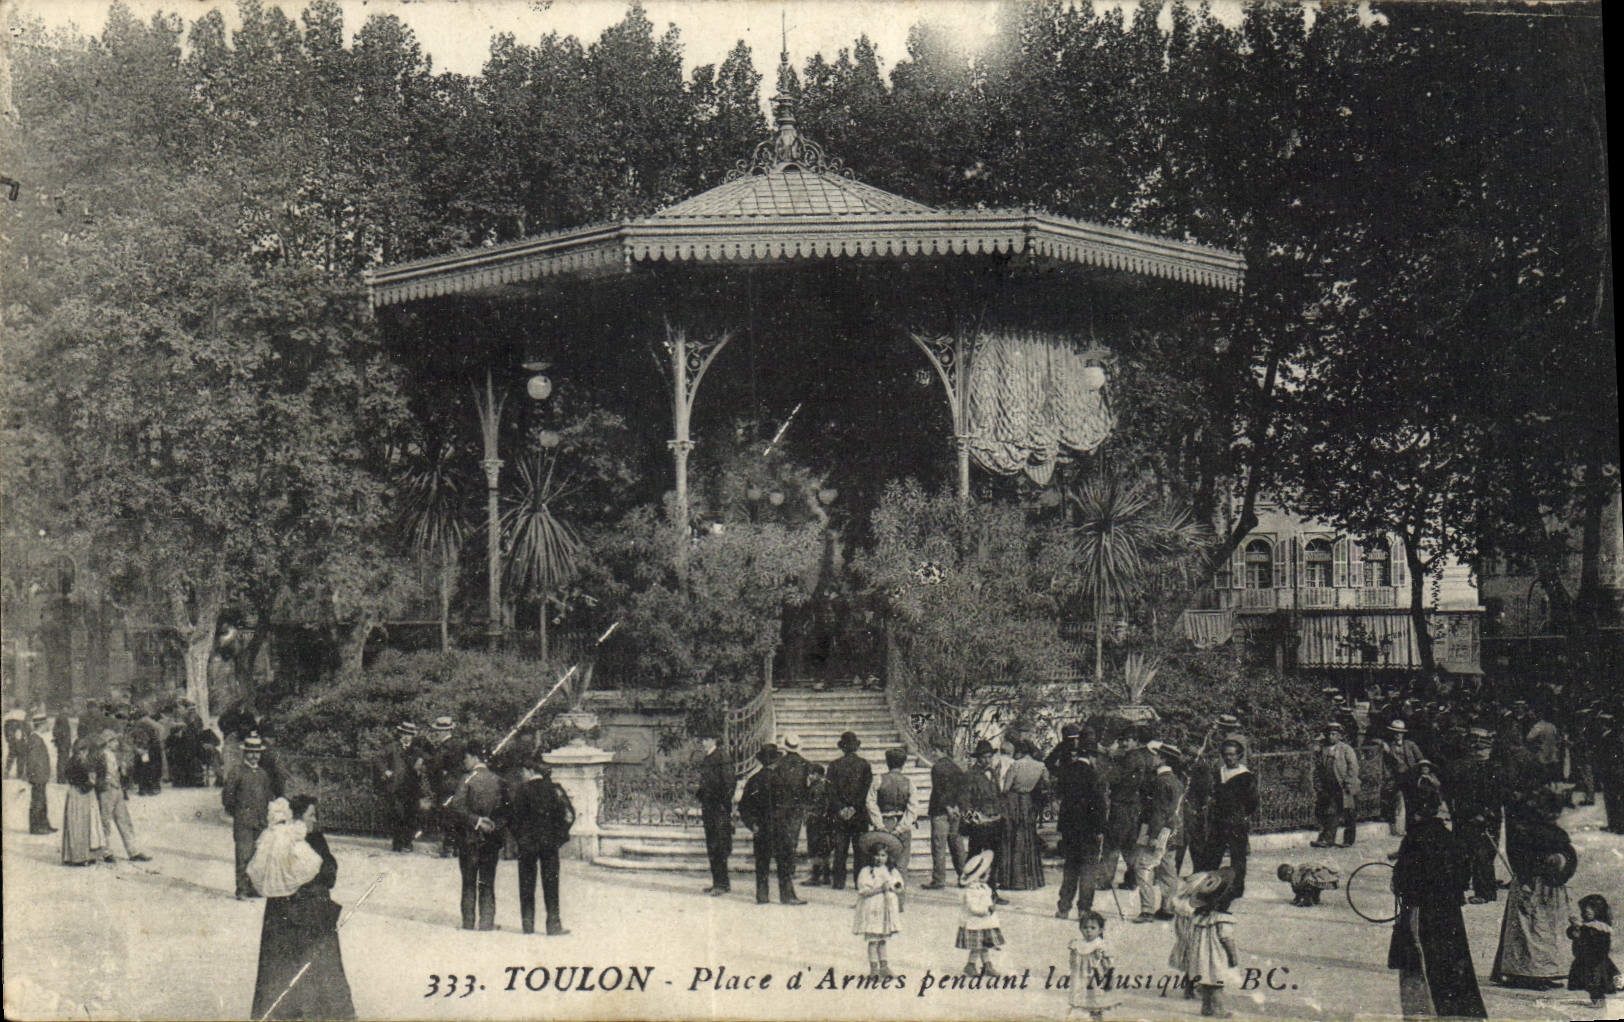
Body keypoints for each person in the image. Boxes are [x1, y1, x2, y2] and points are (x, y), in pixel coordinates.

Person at [247, 796, 356, 1021]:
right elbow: (328, 873)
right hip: (311, 912)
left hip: (279, 913)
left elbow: (260, 875)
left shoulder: (272, 840)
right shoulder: (311, 839)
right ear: (298, 818)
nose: (314, 820)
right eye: (311, 815)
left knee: (280, 966)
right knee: (318, 967)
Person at [1389, 787, 1487, 1019]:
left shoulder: (1413, 839)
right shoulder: (1448, 836)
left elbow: (1403, 880)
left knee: (1419, 961)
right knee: (1453, 959)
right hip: (1450, 912)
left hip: (1421, 910)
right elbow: (1464, 873)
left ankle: (1424, 1014)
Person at [1491, 790, 1577, 989]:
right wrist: (1526, 880)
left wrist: (1562, 864)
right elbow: (1520, 857)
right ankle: (1525, 974)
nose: (1553, 817)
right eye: (1550, 813)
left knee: (1545, 929)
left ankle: (1544, 972)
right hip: (1531, 885)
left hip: (1550, 886)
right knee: (1529, 929)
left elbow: (1568, 854)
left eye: (1555, 814)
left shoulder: (1555, 833)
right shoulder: (1527, 831)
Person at [510, 757, 573, 936]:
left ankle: (527, 925)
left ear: (530, 771)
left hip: (527, 845)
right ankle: (553, 924)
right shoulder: (554, 789)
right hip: (549, 845)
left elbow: (513, 820)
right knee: (551, 883)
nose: (521, 775)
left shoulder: (522, 791)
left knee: (526, 884)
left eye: (523, 771)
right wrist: (559, 837)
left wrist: (520, 839)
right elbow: (569, 815)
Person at [450, 739, 506, 930]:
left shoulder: (467, 779)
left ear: (474, 758)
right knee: (487, 881)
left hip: (469, 837)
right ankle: (486, 922)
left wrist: (477, 821)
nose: (463, 762)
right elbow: (505, 810)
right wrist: (492, 825)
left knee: (468, 881)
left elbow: (456, 806)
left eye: (465, 758)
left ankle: (467, 922)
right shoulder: (498, 780)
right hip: (491, 838)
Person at [1053, 725, 1108, 920]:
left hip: (1069, 829)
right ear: (1092, 756)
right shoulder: (1095, 776)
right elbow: (1100, 805)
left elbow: (1060, 798)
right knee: (1088, 871)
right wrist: (1101, 828)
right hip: (1089, 830)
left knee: (1070, 868)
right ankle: (1084, 909)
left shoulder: (1066, 772)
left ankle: (1063, 907)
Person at [1099, 725, 1155, 893]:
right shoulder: (1141, 757)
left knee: (1112, 844)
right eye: (1121, 740)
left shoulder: (1130, 758)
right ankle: (1132, 879)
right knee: (1129, 844)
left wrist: (1109, 760)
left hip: (1122, 804)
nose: (1123, 743)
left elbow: (1113, 776)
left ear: (1135, 741)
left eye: (1127, 740)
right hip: (1133, 805)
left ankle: (1105, 879)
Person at [223, 734, 280, 897]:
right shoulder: (237, 772)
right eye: (250, 752)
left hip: (260, 820)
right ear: (244, 753)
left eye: (257, 753)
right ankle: (241, 888)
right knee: (243, 855)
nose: (254, 756)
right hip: (243, 821)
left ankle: (253, 887)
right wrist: (239, 813)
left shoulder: (262, 774)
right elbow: (228, 796)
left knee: (258, 856)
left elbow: (268, 796)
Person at [1134, 742, 1185, 923]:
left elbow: (1159, 812)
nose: (1152, 759)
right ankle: (1167, 907)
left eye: (1155, 756)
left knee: (1143, 868)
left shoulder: (1160, 782)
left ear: (1162, 759)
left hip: (1160, 833)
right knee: (1168, 870)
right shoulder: (1176, 781)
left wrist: (1153, 837)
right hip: (1173, 832)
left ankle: (1147, 909)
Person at [958, 740, 1009, 906]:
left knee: (994, 857)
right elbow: (964, 800)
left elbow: (998, 795)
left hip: (995, 821)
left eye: (989, 757)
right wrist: (973, 816)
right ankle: (971, 889)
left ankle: (992, 891)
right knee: (976, 856)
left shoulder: (993, 773)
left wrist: (1001, 813)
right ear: (978, 758)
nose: (987, 760)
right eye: (984, 757)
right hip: (980, 824)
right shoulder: (970, 775)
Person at [1189, 870, 1243, 1018]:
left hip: (1200, 957)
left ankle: (1206, 1008)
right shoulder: (1223, 919)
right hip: (1215, 958)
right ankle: (1219, 1010)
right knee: (1217, 986)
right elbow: (1226, 939)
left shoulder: (1199, 918)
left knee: (1206, 984)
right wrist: (1233, 956)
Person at [1209, 739, 1258, 899]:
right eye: (1226, 755)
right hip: (1218, 820)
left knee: (1238, 856)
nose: (1229, 758)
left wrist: (1240, 814)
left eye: (1232, 754)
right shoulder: (1218, 774)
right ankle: (1212, 886)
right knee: (1213, 854)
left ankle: (1236, 888)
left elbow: (1252, 802)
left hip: (1236, 821)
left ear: (1239, 756)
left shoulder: (1246, 777)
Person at [824, 731, 873, 891]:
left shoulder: (834, 765)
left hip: (840, 815)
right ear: (856, 747)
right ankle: (860, 882)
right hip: (858, 814)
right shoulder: (865, 765)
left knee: (840, 850)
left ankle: (838, 882)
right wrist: (854, 807)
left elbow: (830, 791)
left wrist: (841, 808)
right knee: (860, 851)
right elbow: (867, 790)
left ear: (842, 748)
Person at [998, 738, 1049, 891]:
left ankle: (1013, 880)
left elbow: (1006, 788)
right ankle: (1032, 879)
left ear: (1019, 752)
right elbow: (1046, 783)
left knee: (1012, 838)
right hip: (1028, 802)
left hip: (1013, 802)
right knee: (1028, 838)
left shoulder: (1016, 765)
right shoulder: (1041, 766)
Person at [853, 839, 904, 979]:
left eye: (883, 855)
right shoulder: (866, 871)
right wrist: (880, 888)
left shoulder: (891, 870)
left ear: (888, 857)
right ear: (871, 856)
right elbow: (863, 890)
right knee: (873, 939)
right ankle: (874, 968)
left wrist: (894, 886)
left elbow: (899, 885)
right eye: (877, 855)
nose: (879, 858)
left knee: (882, 939)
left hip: (885, 909)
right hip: (873, 907)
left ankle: (884, 966)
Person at [865, 747, 919, 872]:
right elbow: (913, 809)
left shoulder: (878, 780)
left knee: (881, 862)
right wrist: (901, 828)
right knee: (902, 862)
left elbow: (870, 803)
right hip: (902, 825)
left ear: (887, 762)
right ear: (903, 764)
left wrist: (879, 824)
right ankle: (899, 888)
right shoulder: (909, 783)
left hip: (884, 823)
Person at [694, 736, 735, 896]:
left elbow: (729, 783)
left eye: (705, 739)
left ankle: (722, 884)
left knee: (719, 845)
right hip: (710, 808)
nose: (702, 742)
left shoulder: (721, 756)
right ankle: (718, 882)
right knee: (712, 845)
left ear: (712, 740)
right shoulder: (711, 756)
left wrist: (722, 804)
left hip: (718, 809)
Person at [375, 722, 423, 853]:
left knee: (410, 815)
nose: (407, 737)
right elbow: (378, 757)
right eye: (405, 734)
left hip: (411, 788)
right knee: (397, 814)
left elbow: (425, 763)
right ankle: (397, 843)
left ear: (413, 736)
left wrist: (421, 766)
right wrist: (385, 771)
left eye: (410, 734)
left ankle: (407, 843)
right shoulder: (393, 747)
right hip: (396, 787)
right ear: (401, 734)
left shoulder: (417, 750)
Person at [956, 850, 1005, 977]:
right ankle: (970, 965)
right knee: (977, 947)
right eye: (986, 873)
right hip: (975, 923)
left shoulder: (984, 887)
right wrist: (985, 910)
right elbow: (973, 907)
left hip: (985, 923)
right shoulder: (971, 891)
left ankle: (987, 965)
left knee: (985, 946)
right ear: (980, 875)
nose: (989, 875)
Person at [922, 748, 966, 891]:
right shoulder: (956, 768)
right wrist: (956, 807)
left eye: (935, 750)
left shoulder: (937, 768)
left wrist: (948, 807)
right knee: (957, 845)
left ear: (940, 750)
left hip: (940, 811)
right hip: (955, 812)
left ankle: (939, 879)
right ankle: (964, 876)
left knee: (939, 847)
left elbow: (939, 790)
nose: (933, 753)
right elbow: (961, 790)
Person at [774, 734, 813, 889]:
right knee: (793, 837)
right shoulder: (806, 764)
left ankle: (785, 867)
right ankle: (790, 868)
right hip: (797, 806)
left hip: (782, 805)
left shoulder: (779, 764)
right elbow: (809, 788)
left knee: (782, 836)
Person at [1312, 722, 1360, 848]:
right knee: (1331, 812)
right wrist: (1319, 785)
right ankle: (1328, 839)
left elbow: (1353, 767)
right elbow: (1319, 768)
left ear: (1339, 736)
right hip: (1330, 786)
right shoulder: (1323, 750)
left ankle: (1348, 840)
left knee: (1349, 813)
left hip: (1345, 786)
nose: (1331, 736)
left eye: (1334, 734)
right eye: (1329, 734)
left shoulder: (1346, 749)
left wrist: (1348, 782)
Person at [60, 734, 106, 866]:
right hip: (79, 795)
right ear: (79, 751)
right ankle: (78, 857)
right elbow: (78, 780)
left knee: (86, 825)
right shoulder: (76, 763)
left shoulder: (78, 761)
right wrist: (91, 783)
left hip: (82, 795)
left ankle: (85, 854)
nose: (85, 753)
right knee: (79, 826)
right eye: (83, 750)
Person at [1567, 894, 1618, 1010]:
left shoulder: (1601, 927)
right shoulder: (1586, 925)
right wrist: (1574, 928)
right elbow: (1573, 935)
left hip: (1596, 962)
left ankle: (1599, 1003)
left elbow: (1595, 940)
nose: (1587, 910)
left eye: (1591, 908)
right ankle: (1596, 1002)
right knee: (1588, 983)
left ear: (1599, 911)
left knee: (1596, 983)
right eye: (1585, 908)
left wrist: (1582, 929)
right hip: (1583, 960)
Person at [1068, 910, 1119, 1021]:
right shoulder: (1077, 944)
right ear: (1080, 928)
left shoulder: (1101, 945)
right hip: (1080, 976)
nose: (1088, 931)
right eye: (1085, 928)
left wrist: (1108, 974)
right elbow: (1072, 961)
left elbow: (1109, 963)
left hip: (1096, 977)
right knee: (1080, 998)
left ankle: (1097, 1017)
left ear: (1100, 930)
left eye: (1092, 928)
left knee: (1095, 999)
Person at [1380, 720, 1425, 838]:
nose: (1397, 734)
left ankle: (1410, 828)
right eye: (1395, 732)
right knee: (1395, 802)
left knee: (1411, 802)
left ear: (1403, 733)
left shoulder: (1410, 744)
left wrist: (1421, 772)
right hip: (1396, 778)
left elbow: (1420, 759)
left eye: (1399, 732)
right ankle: (1394, 829)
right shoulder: (1389, 746)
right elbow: (1387, 763)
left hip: (1411, 777)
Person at [25, 711, 55, 834]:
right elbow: (32, 759)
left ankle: (44, 824)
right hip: (37, 776)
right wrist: (33, 775)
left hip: (40, 776)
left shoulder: (37, 738)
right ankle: (36, 827)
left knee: (42, 800)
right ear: (41, 724)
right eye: (46, 724)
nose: (48, 726)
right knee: (38, 801)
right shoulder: (35, 739)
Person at [804, 763, 833, 886]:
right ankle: (825, 875)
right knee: (824, 849)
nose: (810, 776)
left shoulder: (817, 787)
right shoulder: (825, 785)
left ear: (818, 774)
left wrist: (808, 813)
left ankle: (816, 876)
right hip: (824, 821)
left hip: (816, 821)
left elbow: (816, 805)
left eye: (812, 773)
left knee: (815, 848)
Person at [52, 711, 73, 784]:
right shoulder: (63, 720)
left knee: (61, 761)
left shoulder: (59, 721)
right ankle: (62, 778)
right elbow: (65, 733)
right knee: (63, 761)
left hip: (62, 744)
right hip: (64, 744)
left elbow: (55, 733)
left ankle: (61, 778)